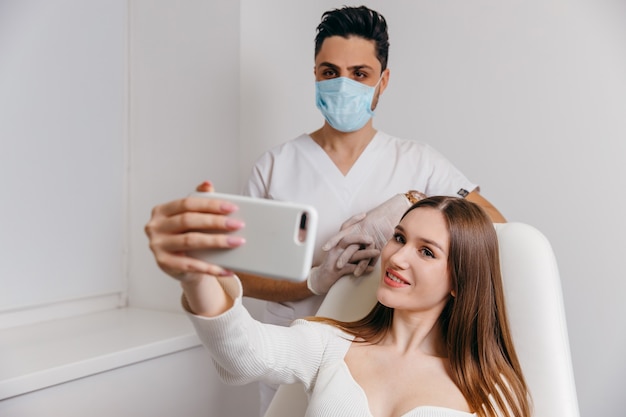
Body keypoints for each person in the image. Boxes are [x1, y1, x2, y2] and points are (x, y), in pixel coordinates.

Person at [145, 5, 507, 413]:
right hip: (293, 351)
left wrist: (410, 202)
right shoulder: (277, 166)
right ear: (315, 74)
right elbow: (240, 279)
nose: (343, 84)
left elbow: (496, 229)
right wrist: (315, 279)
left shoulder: (418, 162)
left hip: (391, 356)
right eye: (330, 72)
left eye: (360, 74)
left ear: (382, 82)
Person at [167, 195, 531, 417]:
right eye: (399, 238)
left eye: (426, 251)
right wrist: (196, 277)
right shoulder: (330, 343)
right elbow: (244, 352)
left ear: (460, 280)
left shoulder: (491, 390)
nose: (398, 257)